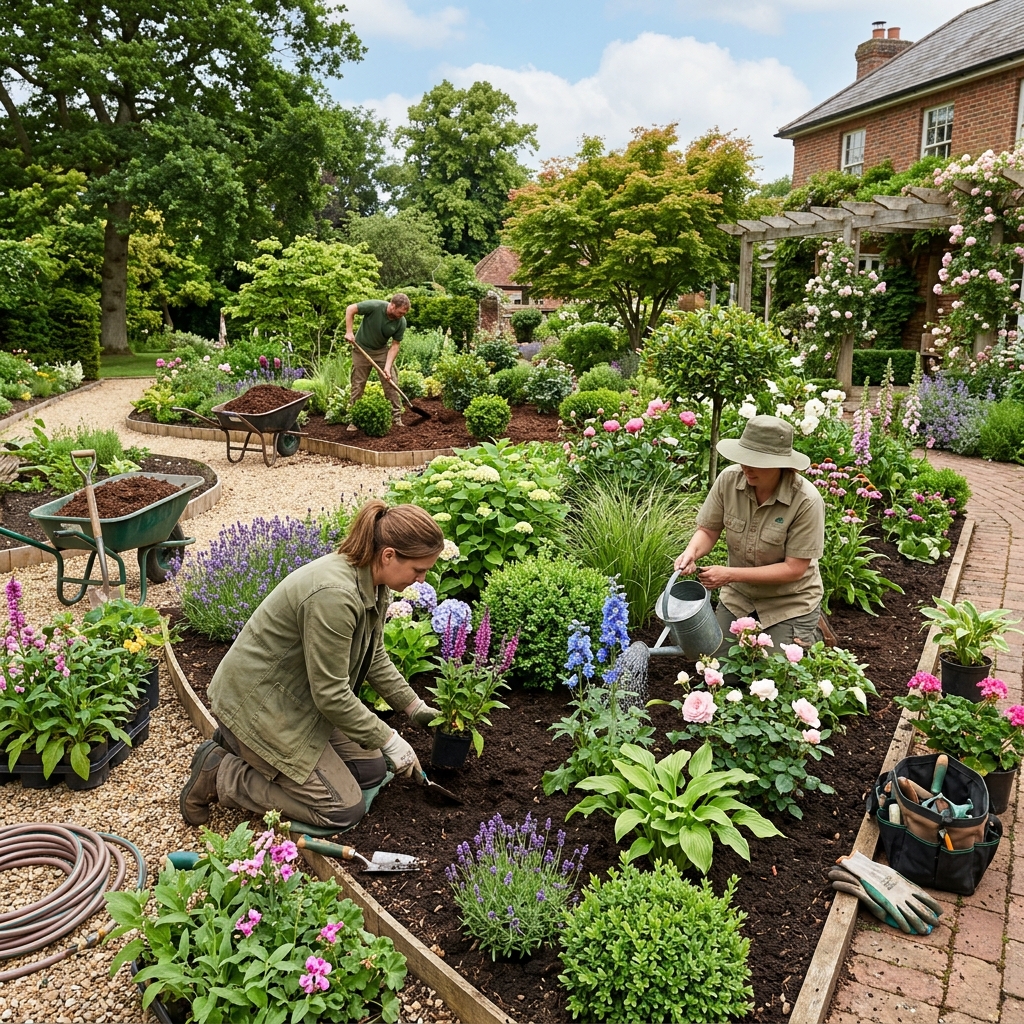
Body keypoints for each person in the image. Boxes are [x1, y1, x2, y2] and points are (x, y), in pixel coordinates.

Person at [179, 500, 444, 831]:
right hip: (258, 704)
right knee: (342, 809)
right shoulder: (334, 595)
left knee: (371, 770)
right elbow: (332, 696)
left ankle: (250, 752)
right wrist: (390, 739)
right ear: (388, 555)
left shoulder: (374, 583)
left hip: (295, 698)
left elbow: (372, 656)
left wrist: (414, 707)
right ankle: (221, 773)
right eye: (418, 570)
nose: (420, 579)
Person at [674, 414, 825, 652]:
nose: (746, 466)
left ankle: (810, 631)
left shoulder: (806, 500)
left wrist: (729, 574)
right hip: (739, 598)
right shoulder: (729, 480)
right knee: (717, 669)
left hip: (790, 602)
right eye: (744, 458)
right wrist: (691, 552)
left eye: (756, 461)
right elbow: (708, 530)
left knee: (774, 677)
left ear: (780, 463)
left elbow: (794, 569)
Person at [344, 293, 410, 429]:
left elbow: (395, 345)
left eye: (404, 313)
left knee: (391, 382)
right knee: (358, 384)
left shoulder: (401, 322)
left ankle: (396, 418)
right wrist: (349, 332)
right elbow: (351, 309)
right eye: (400, 312)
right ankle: (354, 419)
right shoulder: (375, 306)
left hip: (381, 352)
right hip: (361, 349)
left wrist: (387, 366)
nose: (401, 316)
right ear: (392, 305)